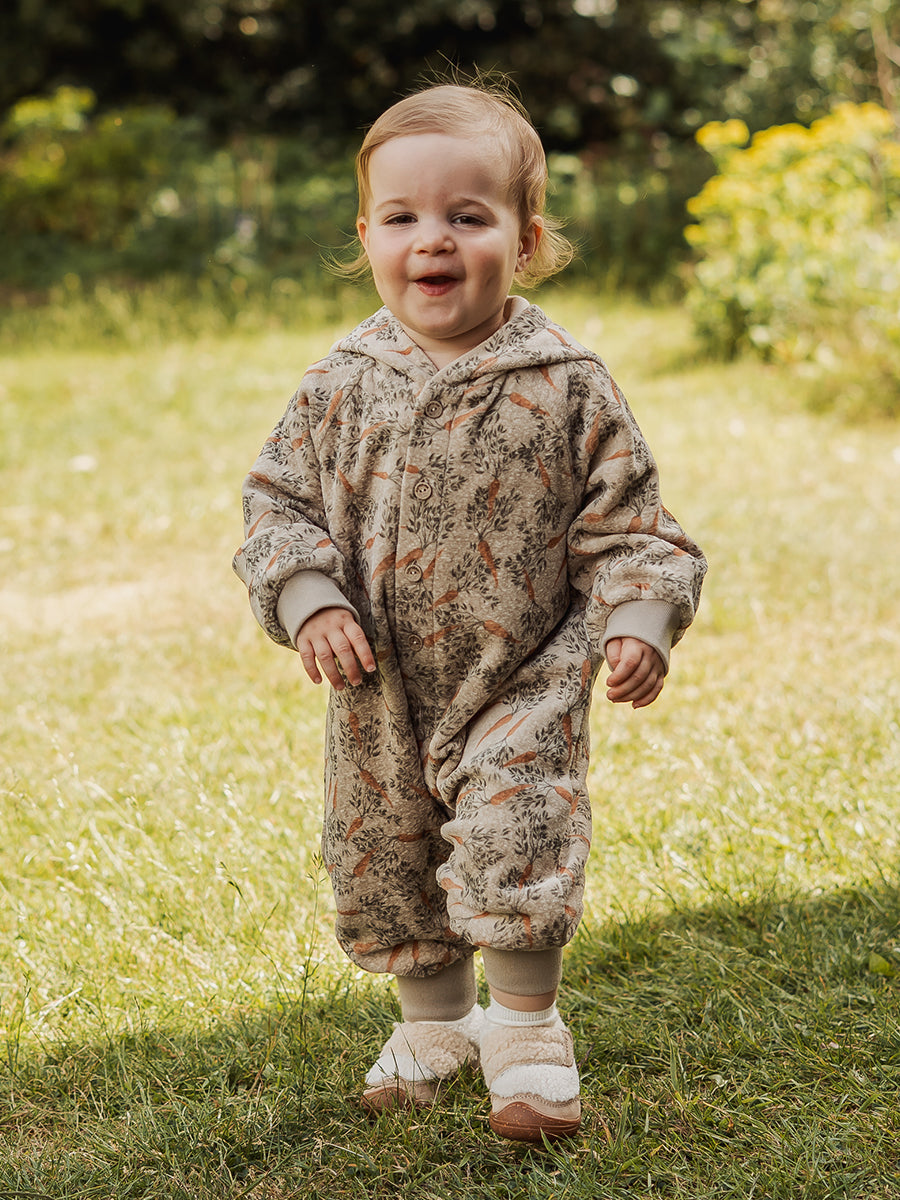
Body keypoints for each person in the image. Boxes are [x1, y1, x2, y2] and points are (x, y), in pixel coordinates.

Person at [233, 80, 707, 1143]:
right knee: (382, 851)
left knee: (518, 832)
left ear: (525, 240)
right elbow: (276, 504)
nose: (432, 240)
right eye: (402, 217)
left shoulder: (566, 384)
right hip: (379, 679)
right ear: (366, 237)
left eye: (468, 215)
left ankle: (529, 1036)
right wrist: (308, 596)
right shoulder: (340, 384)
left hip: (523, 670)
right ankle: (437, 1024)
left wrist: (639, 618)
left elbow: (634, 526)